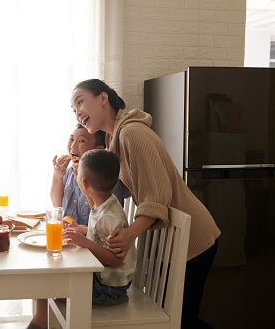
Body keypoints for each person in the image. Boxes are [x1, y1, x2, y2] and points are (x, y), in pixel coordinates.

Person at [70, 79, 221, 329]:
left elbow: (155, 194)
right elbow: (124, 191)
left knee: (182, 319)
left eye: (80, 102)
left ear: (103, 98)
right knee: (178, 318)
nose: (78, 113)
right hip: (171, 239)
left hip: (194, 239)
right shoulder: (114, 139)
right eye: (74, 110)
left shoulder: (133, 134)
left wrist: (130, 233)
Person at [27, 149, 136, 329]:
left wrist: (85, 242)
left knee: (45, 288)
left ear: (84, 183)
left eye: (78, 176)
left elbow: (116, 260)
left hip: (109, 288)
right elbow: (94, 211)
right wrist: (81, 229)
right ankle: (43, 319)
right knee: (45, 282)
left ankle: (41, 321)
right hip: (100, 277)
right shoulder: (107, 202)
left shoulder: (110, 218)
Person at [51, 123, 123, 227]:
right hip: (68, 234)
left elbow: (101, 218)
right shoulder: (69, 171)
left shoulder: (106, 178)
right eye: (71, 139)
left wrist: (80, 175)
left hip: (92, 237)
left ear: (97, 150)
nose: (73, 146)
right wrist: (57, 176)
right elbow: (56, 206)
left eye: (81, 141)